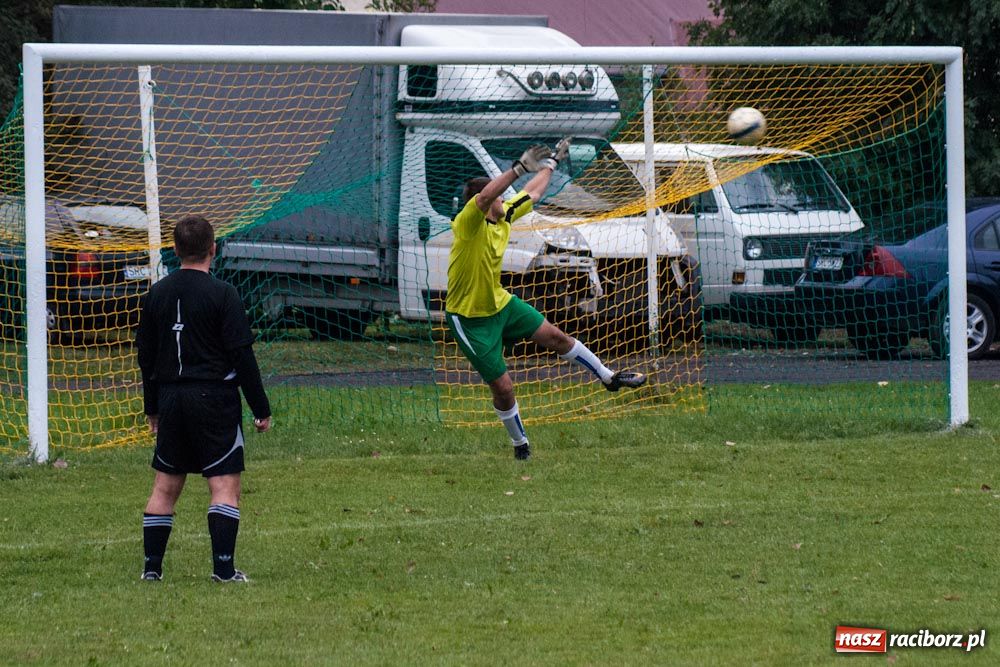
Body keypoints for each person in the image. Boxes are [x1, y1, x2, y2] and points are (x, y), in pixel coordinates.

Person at [445, 138, 647, 460]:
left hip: (500, 304)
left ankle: (608, 377)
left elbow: (534, 193)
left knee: (556, 337)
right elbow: (485, 195)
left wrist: (550, 164)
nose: (503, 199)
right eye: (499, 195)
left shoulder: (505, 215)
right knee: (504, 388)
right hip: (469, 319)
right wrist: (517, 169)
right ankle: (520, 445)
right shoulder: (468, 223)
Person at [136, 214, 272, 583]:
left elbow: (145, 357)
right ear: (213, 249)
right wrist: (261, 408)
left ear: (175, 250)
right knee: (224, 486)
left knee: (165, 486)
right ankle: (224, 571)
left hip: (171, 399)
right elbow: (242, 356)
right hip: (214, 398)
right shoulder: (224, 294)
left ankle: (152, 570)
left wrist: (153, 407)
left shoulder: (156, 295)